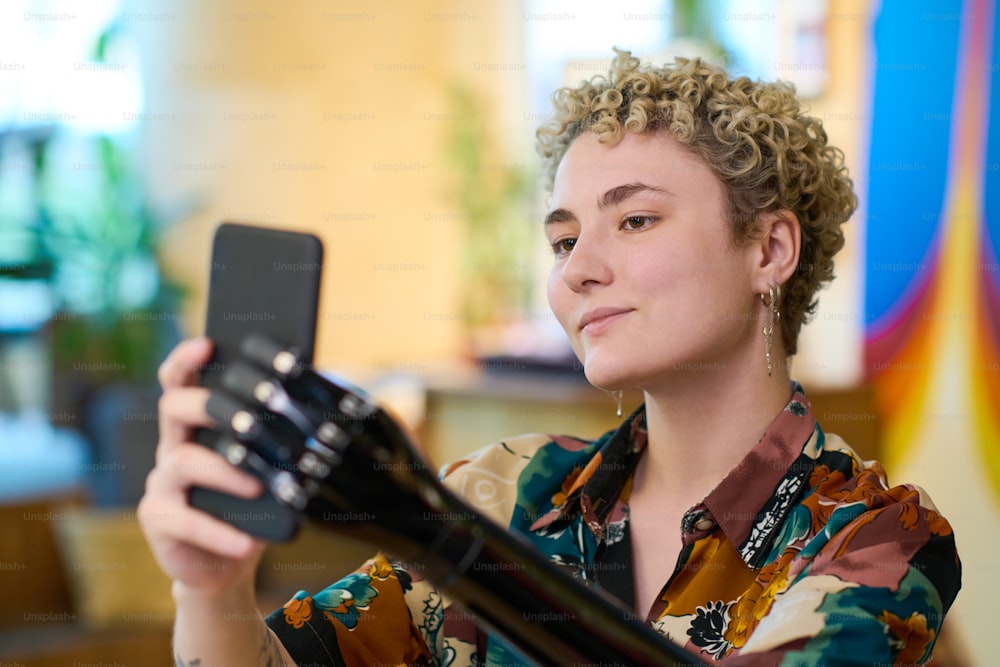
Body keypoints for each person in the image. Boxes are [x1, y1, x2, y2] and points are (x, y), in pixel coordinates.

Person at [139, 49, 961, 666]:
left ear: (769, 248)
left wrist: (438, 533)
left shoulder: (875, 539)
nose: (577, 267)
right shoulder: (504, 492)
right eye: (564, 238)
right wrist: (211, 588)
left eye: (634, 220)